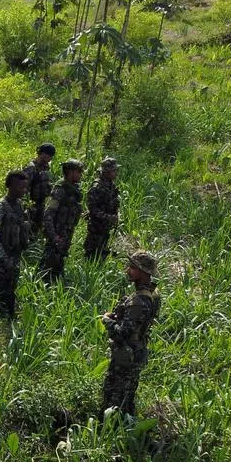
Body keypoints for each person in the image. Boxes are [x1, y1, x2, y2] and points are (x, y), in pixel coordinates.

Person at [101, 251, 161, 416]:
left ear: (143, 272)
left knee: (114, 399)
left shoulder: (139, 301)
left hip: (126, 357)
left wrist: (107, 321)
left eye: (133, 267)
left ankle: (111, 432)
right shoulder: (152, 294)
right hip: (136, 351)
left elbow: (123, 334)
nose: (128, 270)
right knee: (126, 397)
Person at [0, 171, 32, 319]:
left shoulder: (20, 206)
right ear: (10, 186)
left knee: (11, 287)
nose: (23, 191)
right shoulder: (0, 207)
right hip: (0, 257)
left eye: (25, 187)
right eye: (20, 187)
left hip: (14, 254)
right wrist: (4, 258)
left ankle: (8, 314)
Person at [40, 159, 84, 283]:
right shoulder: (60, 189)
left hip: (65, 233)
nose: (81, 174)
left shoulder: (73, 189)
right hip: (57, 234)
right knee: (47, 265)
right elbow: (48, 214)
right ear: (70, 172)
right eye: (78, 171)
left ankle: (54, 286)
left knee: (58, 264)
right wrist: (54, 236)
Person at [84, 157, 121, 262]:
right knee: (91, 253)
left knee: (101, 252)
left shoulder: (111, 185)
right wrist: (108, 217)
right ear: (107, 172)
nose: (116, 173)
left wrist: (115, 215)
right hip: (96, 227)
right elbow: (92, 209)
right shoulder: (97, 187)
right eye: (114, 171)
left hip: (105, 227)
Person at [22, 143, 56, 236]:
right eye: (49, 156)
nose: (50, 159)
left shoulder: (45, 168)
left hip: (40, 204)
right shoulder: (31, 168)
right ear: (43, 154)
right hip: (31, 205)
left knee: (36, 230)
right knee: (27, 231)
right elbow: (23, 189)